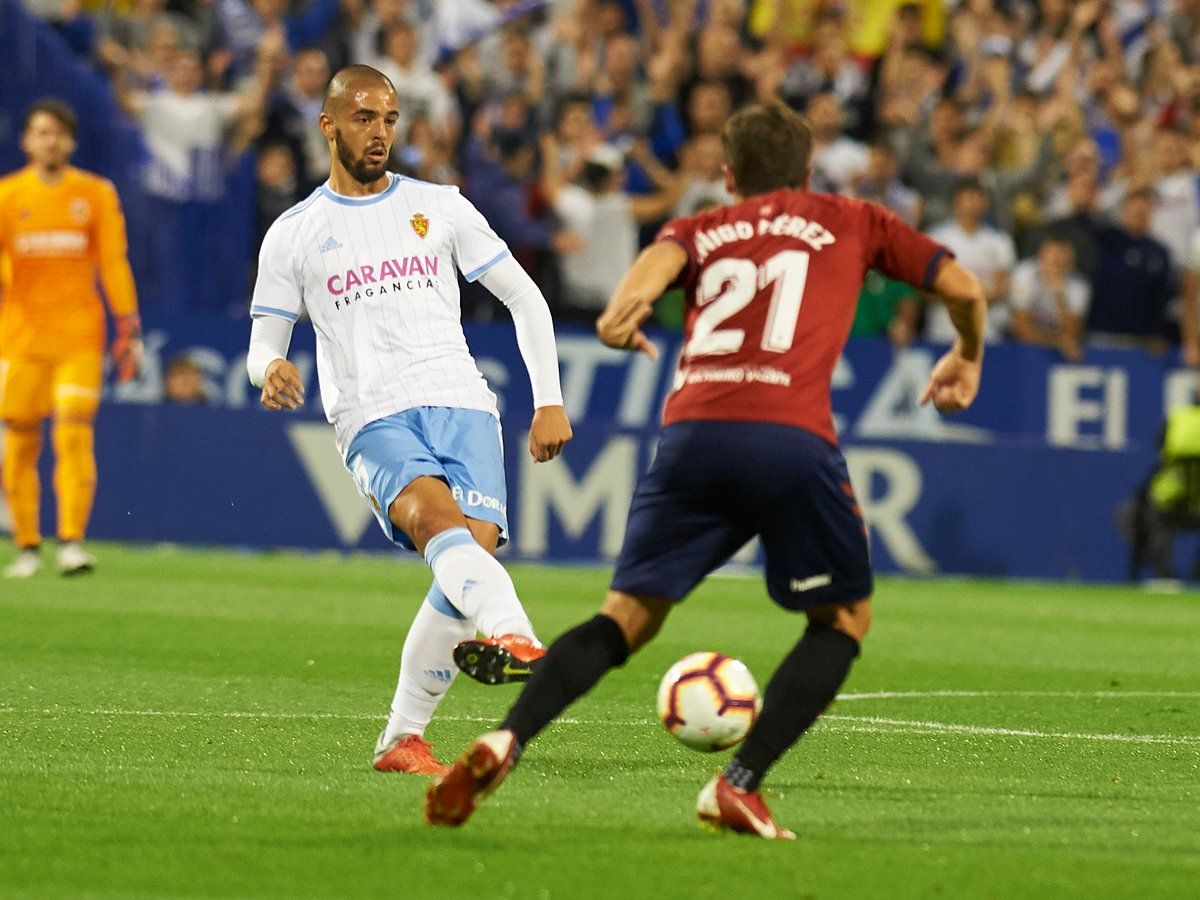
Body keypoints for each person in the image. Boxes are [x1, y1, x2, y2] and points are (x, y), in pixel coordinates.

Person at [425, 102, 987, 837]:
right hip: (788, 436)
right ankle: (740, 783)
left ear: (728, 178)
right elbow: (965, 289)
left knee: (622, 619)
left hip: (692, 436)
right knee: (844, 617)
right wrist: (967, 353)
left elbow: (627, 300)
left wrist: (622, 316)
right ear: (809, 172)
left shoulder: (699, 227)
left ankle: (506, 737)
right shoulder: (853, 218)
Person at [245, 66, 573, 777]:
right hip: (370, 412)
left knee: (468, 563)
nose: (381, 132)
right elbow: (263, 343)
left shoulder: (441, 206)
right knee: (437, 526)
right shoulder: (295, 233)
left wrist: (548, 397)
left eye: (390, 118)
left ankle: (401, 739)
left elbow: (525, 298)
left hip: (462, 401)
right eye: (364, 118)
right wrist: (269, 369)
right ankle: (518, 636)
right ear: (329, 124)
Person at [0, 99, 143, 578]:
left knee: (73, 431)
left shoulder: (95, 193)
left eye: (58, 133)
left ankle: (70, 542)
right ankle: (25, 546)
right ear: (27, 141)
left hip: (79, 336)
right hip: (19, 341)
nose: (50, 141)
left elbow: (113, 262)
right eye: (41, 132)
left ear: (71, 141)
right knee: (20, 440)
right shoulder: (7, 196)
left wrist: (127, 324)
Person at [1008, 233, 1089, 361]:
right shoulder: (1024, 275)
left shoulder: (1078, 285)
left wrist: (1059, 296)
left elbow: (1073, 333)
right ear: (1041, 256)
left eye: (1062, 260)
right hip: (1011, 340)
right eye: (1052, 258)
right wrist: (1059, 342)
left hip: (1047, 339)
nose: (1056, 263)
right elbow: (1021, 328)